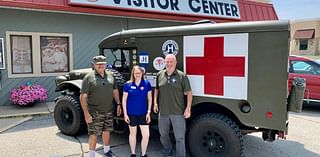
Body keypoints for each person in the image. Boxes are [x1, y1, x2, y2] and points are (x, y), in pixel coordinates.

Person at [80, 55, 122, 157]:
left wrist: (118, 104)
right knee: (94, 134)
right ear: (94, 65)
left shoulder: (110, 75)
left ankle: (107, 151)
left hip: (108, 110)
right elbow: (83, 96)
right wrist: (86, 114)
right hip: (95, 112)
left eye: (103, 64)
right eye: (98, 64)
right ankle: (92, 155)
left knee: (107, 131)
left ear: (106, 64)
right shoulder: (88, 77)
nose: (101, 66)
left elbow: (115, 90)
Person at [153, 54, 192, 157]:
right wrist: (155, 103)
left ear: (175, 63)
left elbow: (189, 93)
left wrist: (188, 108)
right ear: (164, 62)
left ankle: (180, 155)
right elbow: (156, 89)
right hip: (163, 112)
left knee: (179, 137)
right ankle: (167, 150)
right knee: (163, 135)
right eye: (167, 62)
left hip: (178, 112)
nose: (169, 64)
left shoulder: (181, 76)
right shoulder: (160, 75)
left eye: (171, 62)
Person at [122, 65, 152, 157]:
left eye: (139, 73)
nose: (137, 75)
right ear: (133, 74)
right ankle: (133, 153)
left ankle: (143, 154)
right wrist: (125, 114)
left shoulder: (146, 83)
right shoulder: (128, 84)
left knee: (146, 135)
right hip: (132, 114)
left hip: (143, 113)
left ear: (142, 73)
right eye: (135, 73)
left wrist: (149, 112)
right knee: (132, 134)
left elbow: (149, 98)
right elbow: (124, 100)